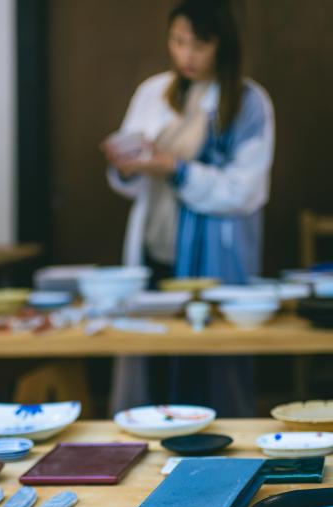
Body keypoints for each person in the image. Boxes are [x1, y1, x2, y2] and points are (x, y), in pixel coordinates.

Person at [101, 0, 275, 415]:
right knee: (154, 364)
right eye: (178, 42)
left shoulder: (249, 102)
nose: (186, 56)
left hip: (214, 259)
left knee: (212, 369)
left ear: (222, 45)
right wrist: (127, 167)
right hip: (156, 247)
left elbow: (243, 191)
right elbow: (132, 188)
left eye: (199, 45)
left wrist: (175, 168)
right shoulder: (152, 93)